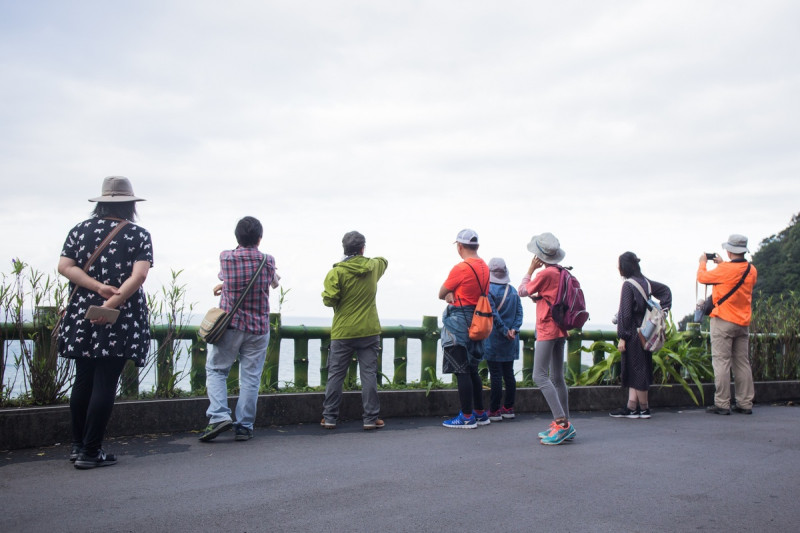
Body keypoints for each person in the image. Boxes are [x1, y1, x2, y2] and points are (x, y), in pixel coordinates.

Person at [57, 176, 153, 469]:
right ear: (130, 206)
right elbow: (138, 276)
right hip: (120, 316)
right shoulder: (138, 235)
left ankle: (78, 447)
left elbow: (64, 267)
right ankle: (91, 451)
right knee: (105, 382)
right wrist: (110, 304)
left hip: (83, 310)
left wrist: (97, 290)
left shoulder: (79, 230)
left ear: (100, 203)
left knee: (83, 379)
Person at [199, 216, 278, 442]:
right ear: (260, 239)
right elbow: (273, 282)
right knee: (251, 377)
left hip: (230, 326)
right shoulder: (268, 261)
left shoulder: (226, 257)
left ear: (237, 237)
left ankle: (218, 416)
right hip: (258, 327)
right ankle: (244, 426)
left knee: (216, 370)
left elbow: (229, 279)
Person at [321, 231, 388, 430]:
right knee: (368, 374)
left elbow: (328, 300)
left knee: (336, 375)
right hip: (369, 330)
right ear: (362, 248)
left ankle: (330, 417)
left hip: (343, 331)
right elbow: (384, 260)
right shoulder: (374, 267)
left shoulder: (336, 272)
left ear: (344, 249)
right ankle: (370, 419)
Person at [518, 232, 575, 445]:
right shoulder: (561, 272)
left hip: (547, 329)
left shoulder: (544, 274)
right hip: (561, 328)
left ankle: (560, 423)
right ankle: (566, 424)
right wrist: (541, 297)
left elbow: (522, 290)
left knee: (539, 376)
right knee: (558, 378)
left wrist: (530, 270)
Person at [697, 234, 757, 415]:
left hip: (723, 321)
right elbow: (734, 276)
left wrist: (702, 262)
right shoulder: (751, 269)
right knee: (742, 362)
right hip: (743, 322)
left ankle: (722, 403)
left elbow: (703, 278)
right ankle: (745, 403)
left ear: (730, 251)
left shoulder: (724, 271)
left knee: (721, 361)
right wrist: (722, 264)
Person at [610, 252, 672, 419]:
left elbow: (625, 314)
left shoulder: (628, 285)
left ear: (624, 267)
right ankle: (631, 407)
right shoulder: (645, 282)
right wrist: (663, 311)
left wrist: (622, 336)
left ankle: (644, 408)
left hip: (633, 334)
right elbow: (666, 291)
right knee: (638, 368)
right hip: (646, 332)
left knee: (637, 370)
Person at [439, 229, 491, 429]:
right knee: (472, 369)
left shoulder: (461, 268)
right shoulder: (485, 267)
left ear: (460, 247)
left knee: (461, 371)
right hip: (477, 320)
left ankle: (466, 417)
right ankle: (480, 412)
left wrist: (449, 294)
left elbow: (441, 292)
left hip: (459, 323)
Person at [484, 257, 523, 421]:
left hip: (494, 339)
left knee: (496, 375)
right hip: (511, 340)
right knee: (509, 374)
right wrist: (513, 329)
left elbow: (493, 314)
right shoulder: (513, 290)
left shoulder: (488, 291)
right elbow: (520, 313)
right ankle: (508, 407)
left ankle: (494, 411)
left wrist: (504, 330)